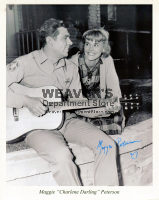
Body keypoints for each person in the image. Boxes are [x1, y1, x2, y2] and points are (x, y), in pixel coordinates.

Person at [7, 18, 119, 186]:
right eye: (65, 38)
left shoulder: (71, 68)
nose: (71, 41)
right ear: (50, 41)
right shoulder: (26, 62)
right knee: (62, 157)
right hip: (37, 129)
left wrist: (104, 109)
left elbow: (78, 103)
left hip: (67, 121)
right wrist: (26, 100)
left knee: (108, 146)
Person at [70, 28, 125, 135]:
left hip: (99, 103)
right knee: (84, 127)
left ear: (103, 48)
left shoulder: (107, 60)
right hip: (78, 105)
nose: (90, 49)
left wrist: (113, 103)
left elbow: (114, 89)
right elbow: (75, 99)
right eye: (87, 44)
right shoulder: (72, 62)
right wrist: (102, 111)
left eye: (96, 45)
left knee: (116, 115)